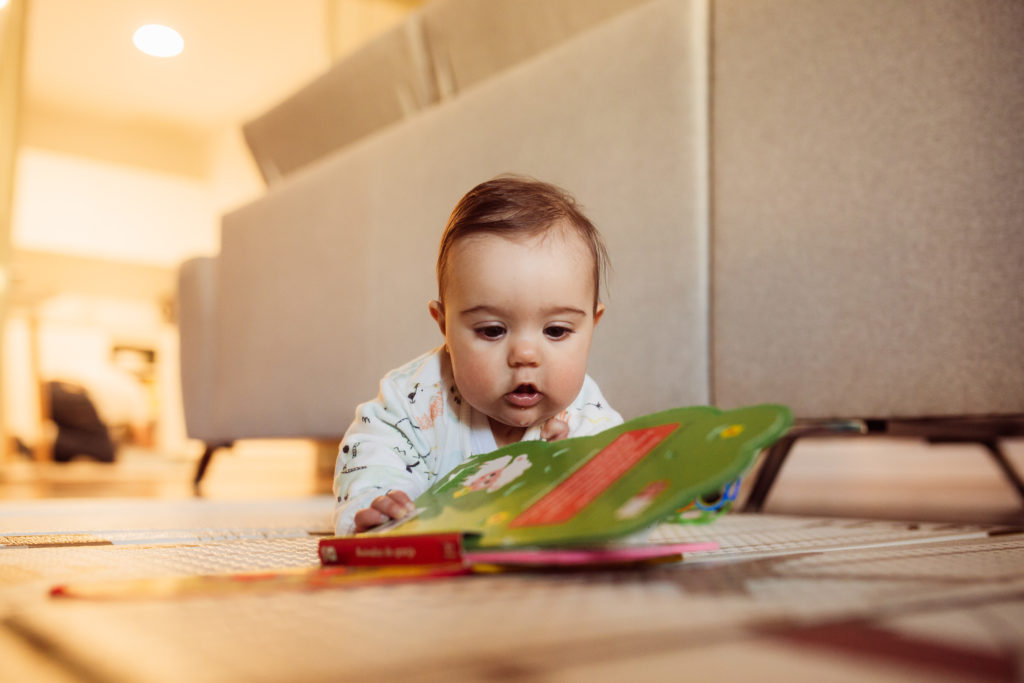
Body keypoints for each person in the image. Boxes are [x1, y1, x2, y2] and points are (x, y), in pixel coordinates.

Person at [333, 175, 623, 535]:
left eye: (556, 331)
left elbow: (622, 491)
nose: (525, 355)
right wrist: (378, 502)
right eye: (492, 331)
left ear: (592, 325)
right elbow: (373, 455)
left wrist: (579, 476)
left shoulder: (587, 420)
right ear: (444, 325)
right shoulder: (415, 403)